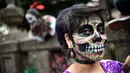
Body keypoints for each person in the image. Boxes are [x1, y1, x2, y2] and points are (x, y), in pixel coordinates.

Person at [56, 3, 130, 73]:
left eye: (100, 30)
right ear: (68, 40)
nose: (98, 37)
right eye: (86, 32)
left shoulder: (116, 67)